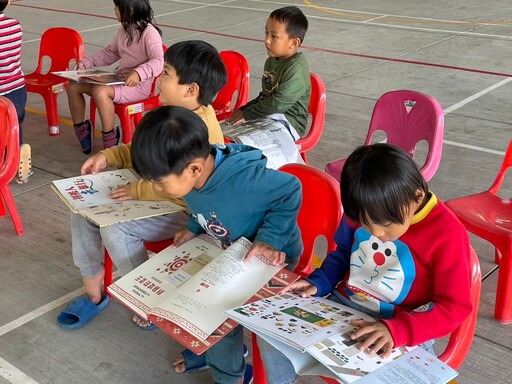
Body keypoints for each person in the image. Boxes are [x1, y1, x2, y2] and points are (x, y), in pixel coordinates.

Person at [257, 143, 473, 384]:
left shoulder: (448, 234)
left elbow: (454, 307)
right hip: (344, 305)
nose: (376, 234)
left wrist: (397, 331)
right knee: (272, 336)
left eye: (385, 225)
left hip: (402, 323)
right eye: (366, 225)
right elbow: (343, 252)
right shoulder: (363, 206)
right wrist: (320, 282)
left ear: (417, 197)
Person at [56, 40, 227, 331]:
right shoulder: (168, 117)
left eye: (166, 74)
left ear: (191, 90)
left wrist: (136, 191)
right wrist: (107, 156)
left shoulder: (200, 133)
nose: (158, 80)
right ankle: (94, 290)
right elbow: (137, 149)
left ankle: (146, 295)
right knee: (82, 211)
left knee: (116, 229)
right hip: (152, 195)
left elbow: (185, 190)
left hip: (184, 210)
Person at [130, 105, 304, 384]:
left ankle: (228, 377)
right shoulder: (195, 174)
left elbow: (291, 189)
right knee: (198, 304)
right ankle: (217, 357)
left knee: (215, 313)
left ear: (194, 168)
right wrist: (192, 227)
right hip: (228, 249)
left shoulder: (244, 181)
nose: (158, 189)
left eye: (160, 183)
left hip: (270, 257)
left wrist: (269, 240)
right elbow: (205, 207)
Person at [66, 0, 163, 154]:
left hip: (137, 86)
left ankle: (110, 138)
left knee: (100, 91)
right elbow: (111, 52)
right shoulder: (124, 30)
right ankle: (82, 129)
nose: (114, 10)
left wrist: (139, 73)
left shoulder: (149, 33)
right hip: (120, 80)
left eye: (117, 7)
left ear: (129, 10)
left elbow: (158, 61)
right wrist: (86, 63)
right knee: (73, 85)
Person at [225, 5, 310, 139]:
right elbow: (266, 96)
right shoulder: (271, 61)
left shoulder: (296, 68)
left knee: (249, 139)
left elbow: (278, 103)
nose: (267, 40)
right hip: (271, 115)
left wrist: (247, 114)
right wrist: (243, 109)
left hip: (290, 123)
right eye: (266, 33)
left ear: (293, 43)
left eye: (274, 36)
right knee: (233, 134)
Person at [0, 0, 32, 183]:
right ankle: (19, 154)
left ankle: (4, 162)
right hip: (17, 89)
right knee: (14, 126)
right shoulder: (15, 26)